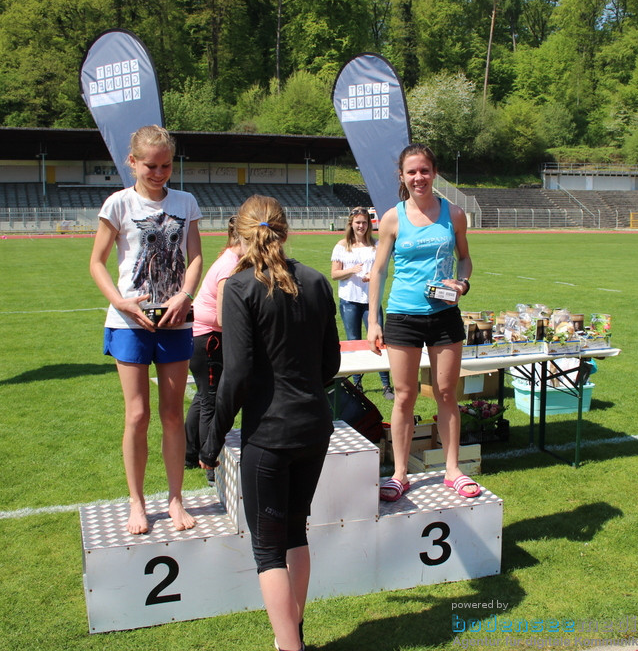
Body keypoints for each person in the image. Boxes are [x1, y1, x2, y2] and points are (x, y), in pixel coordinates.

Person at [200, 195, 340, 651]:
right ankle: (293, 638)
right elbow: (330, 364)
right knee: (295, 530)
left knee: (267, 550)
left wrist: (211, 440)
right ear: (287, 230)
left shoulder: (238, 288)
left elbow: (235, 376)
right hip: (313, 426)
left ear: (237, 236)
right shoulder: (317, 281)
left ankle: (289, 646)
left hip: (271, 433)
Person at [89, 125, 203, 535]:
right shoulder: (118, 204)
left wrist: (186, 295)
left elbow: (195, 257)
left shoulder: (186, 201)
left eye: (166, 165)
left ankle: (175, 499)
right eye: (150, 166)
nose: (158, 173)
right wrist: (120, 302)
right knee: (137, 415)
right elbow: (97, 262)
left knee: (172, 415)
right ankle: (136, 502)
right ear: (132, 162)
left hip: (174, 320)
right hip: (130, 322)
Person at [367, 143, 477, 503]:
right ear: (402, 176)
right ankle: (399, 473)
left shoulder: (455, 214)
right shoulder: (392, 218)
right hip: (403, 316)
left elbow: (465, 259)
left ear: (434, 173)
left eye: (425, 170)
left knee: (446, 393)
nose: (419, 177)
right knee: (404, 396)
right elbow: (379, 271)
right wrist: (373, 320)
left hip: (445, 315)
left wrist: (463, 283)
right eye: (411, 171)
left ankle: (452, 469)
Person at [185, 216, 241, 480]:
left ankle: (189, 453)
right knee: (212, 403)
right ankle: (210, 466)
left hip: (201, 338)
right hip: (208, 340)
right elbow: (222, 316)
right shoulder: (230, 266)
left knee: (202, 398)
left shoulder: (229, 258)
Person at [331, 206, 394, 399]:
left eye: (365, 223)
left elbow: (383, 272)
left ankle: (386, 385)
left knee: (379, 341)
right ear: (351, 224)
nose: (361, 226)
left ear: (369, 225)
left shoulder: (377, 246)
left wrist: (371, 276)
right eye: (358, 222)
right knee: (354, 341)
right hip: (349, 301)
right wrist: (353, 270)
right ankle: (356, 385)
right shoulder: (342, 246)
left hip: (371, 301)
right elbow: (334, 274)